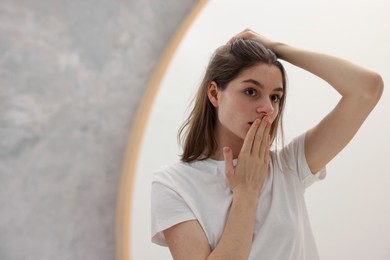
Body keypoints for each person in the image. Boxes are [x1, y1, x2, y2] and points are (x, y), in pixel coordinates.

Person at [150, 29, 383, 260]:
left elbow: (367, 88)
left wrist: (277, 48)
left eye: (275, 96)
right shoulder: (173, 185)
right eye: (251, 91)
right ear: (214, 93)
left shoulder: (288, 165)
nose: (268, 109)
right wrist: (246, 193)